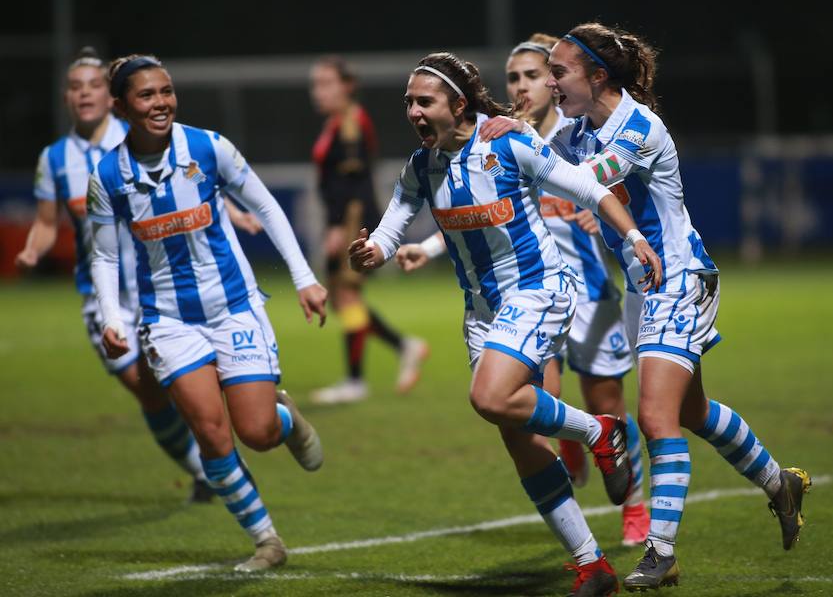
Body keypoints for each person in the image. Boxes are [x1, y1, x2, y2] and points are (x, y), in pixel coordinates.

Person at [479, 23, 812, 591]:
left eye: (558, 72)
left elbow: (589, 181)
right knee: (691, 411)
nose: (551, 83)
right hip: (642, 289)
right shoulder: (578, 131)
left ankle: (660, 552)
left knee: (656, 418)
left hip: (679, 277)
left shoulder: (638, 125)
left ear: (596, 76)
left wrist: (525, 136)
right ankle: (779, 482)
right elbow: (532, 176)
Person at [350, 52, 662, 596]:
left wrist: (634, 239)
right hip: (482, 312)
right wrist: (373, 250)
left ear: (458, 104)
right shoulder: (422, 166)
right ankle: (593, 566)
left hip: (539, 290)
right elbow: (393, 222)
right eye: (409, 103)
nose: (414, 112)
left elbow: (588, 187)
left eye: (425, 101)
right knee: (522, 442)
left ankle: (600, 431)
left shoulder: (507, 142)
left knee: (490, 397)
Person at [87, 54, 327, 572]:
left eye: (166, 91)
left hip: (234, 308)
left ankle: (286, 421)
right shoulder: (108, 176)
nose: (161, 103)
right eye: (147, 95)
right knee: (211, 434)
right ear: (121, 106)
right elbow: (105, 255)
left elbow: (264, 206)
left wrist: (303, 277)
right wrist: (111, 316)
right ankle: (267, 541)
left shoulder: (208, 147)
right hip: (168, 320)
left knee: (257, 433)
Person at [14, 47, 216, 503]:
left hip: (157, 285)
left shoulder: (140, 139)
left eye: (93, 86)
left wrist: (233, 213)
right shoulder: (55, 159)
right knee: (145, 389)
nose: (84, 93)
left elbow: (194, 177)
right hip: (101, 295)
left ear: (111, 97)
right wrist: (32, 249)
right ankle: (203, 469)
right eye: (74, 87)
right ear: (66, 98)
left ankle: (221, 452)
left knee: (189, 381)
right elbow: (48, 222)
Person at [308, 55, 428, 404]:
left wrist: (338, 228)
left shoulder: (349, 124)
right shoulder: (337, 123)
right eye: (316, 84)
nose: (319, 91)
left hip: (351, 221)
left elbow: (353, 182)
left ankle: (356, 380)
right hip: (347, 219)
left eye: (326, 83)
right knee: (348, 299)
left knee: (346, 296)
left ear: (347, 86)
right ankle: (405, 346)